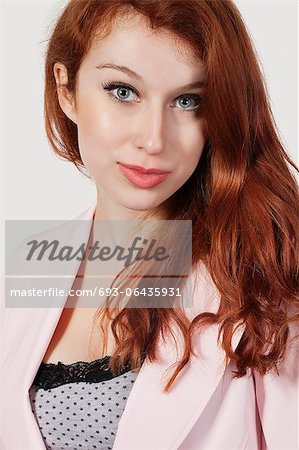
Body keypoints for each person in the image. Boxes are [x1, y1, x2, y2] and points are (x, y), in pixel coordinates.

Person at [1, 0, 298, 449]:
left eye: (187, 101)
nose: (154, 139)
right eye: (123, 91)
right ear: (67, 90)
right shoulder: (28, 265)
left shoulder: (262, 272)